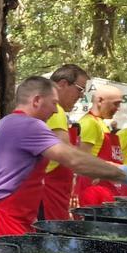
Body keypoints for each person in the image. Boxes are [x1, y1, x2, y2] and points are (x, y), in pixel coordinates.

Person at [0, 77, 127, 236]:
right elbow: (75, 160)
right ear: (36, 100)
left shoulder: (4, 123)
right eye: (54, 103)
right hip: (3, 221)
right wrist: (122, 175)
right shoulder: (29, 125)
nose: (56, 110)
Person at [40, 64, 89, 219]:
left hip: (52, 193)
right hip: (45, 194)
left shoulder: (46, 107)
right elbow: (68, 155)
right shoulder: (55, 111)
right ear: (62, 84)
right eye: (80, 89)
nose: (81, 96)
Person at [76, 85, 125, 205]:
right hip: (94, 193)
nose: (118, 108)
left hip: (108, 189)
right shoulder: (89, 123)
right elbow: (81, 159)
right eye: (116, 104)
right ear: (100, 100)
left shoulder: (100, 123)